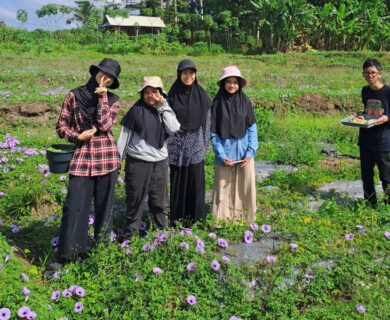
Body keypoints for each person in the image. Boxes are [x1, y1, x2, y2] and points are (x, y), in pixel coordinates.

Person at [56, 58, 121, 262]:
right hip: (82, 158)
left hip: (107, 160)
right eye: (104, 73)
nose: (106, 78)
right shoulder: (74, 96)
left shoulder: (113, 100)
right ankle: (70, 254)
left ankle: (101, 251)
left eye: (110, 77)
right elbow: (61, 126)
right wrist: (77, 137)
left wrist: (102, 98)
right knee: (74, 207)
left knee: (105, 207)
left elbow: (103, 125)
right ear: (96, 72)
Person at [117, 76, 180, 239]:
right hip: (138, 163)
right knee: (135, 202)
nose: (150, 95)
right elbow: (124, 138)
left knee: (160, 202)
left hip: (160, 163)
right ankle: (130, 239)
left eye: (155, 91)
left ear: (161, 93)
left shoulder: (164, 110)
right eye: (147, 92)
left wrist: (163, 107)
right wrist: (117, 162)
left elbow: (174, 128)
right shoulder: (136, 112)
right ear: (142, 94)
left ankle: (163, 236)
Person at [210, 66, 258, 225]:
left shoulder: (245, 102)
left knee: (245, 188)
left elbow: (252, 128)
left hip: (245, 155)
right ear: (223, 84)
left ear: (239, 84)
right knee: (223, 189)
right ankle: (222, 222)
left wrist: (250, 152)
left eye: (235, 82)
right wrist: (221, 155)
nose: (232, 85)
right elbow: (213, 133)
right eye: (228, 82)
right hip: (225, 155)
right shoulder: (217, 104)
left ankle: (245, 220)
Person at [167, 60, 212, 227]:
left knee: (195, 183)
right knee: (178, 183)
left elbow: (207, 124)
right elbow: (166, 121)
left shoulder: (202, 96)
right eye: (184, 73)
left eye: (191, 73)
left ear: (195, 75)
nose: (188, 76)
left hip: (195, 146)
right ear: (179, 74)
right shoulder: (171, 96)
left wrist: (203, 147)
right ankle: (177, 220)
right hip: (176, 146)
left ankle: (196, 221)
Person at [358, 58, 390, 207]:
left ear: (380, 74)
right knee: (366, 175)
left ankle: (388, 206)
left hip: (383, 140)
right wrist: (359, 116)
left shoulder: (388, 92)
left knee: (386, 176)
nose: (369, 75)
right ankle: (370, 205)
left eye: (373, 72)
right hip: (365, 138)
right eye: (366, 73)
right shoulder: (365, 90)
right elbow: (368, 111)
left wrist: (387, 117)